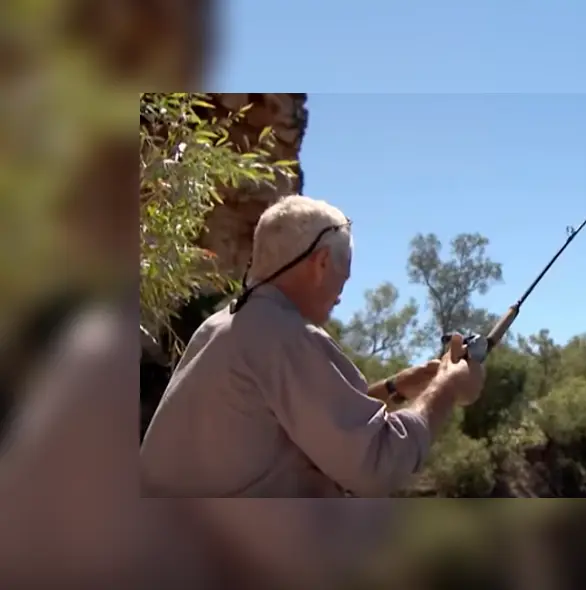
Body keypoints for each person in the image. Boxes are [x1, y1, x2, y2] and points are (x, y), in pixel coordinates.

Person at [140, 195, 485, 497]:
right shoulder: (287, 336)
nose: (341, 294)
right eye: (344, 275)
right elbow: (377, 463)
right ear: (321, 263)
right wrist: (447, 386)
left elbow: (304, 423)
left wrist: (398, 388)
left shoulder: (221, 327)